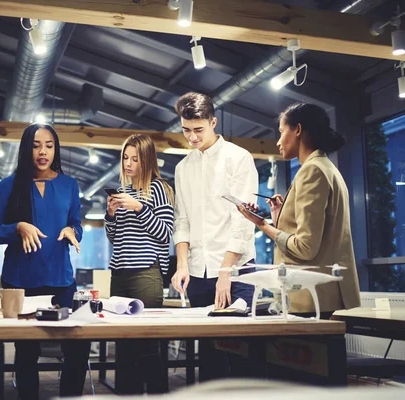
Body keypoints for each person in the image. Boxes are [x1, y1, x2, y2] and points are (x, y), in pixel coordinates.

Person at [0, 123, 90, 400]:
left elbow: (75, 223)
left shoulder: (69, 185)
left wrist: (72, 232)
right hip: (20, 282)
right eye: (35, 146)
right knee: (26, 354)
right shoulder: (9, 185)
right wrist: (17, 227)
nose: (42, 152)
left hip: (61, 282)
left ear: (55, 149)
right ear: (26, 149)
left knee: (77, 349)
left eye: (48, 145)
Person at [237, 103, 361, 318]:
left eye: (281, 131)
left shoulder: (311, 171)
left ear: (298, 130)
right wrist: (279, 218)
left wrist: (262, 225)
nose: (277, 141)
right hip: (319, 293)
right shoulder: (326, 167)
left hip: (309, 295)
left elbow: (305, 248)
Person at [170, 92, 258, 309]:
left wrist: (225, 272)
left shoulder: (238, 158)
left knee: (237, 340)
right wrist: (182, 266)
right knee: (204, 342)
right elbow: (182, 221)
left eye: (198, 130)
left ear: (213, 122)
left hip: (237, 270)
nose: (192, 137)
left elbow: (243, 221)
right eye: (186, 130)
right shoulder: (182, 168)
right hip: (197, 272)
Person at [104, 134, 174, 394]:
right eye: (125, 158)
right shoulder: (123, 192)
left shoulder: (158, 188)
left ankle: (157, 395)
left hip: (147, 273)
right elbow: (114, 237)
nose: (128, 163)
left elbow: (165, 233)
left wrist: (139, 208)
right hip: (119, 272)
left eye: (135, 158)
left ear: (147, 161)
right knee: (123, 345)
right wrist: (110, 215)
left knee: (148, 344)